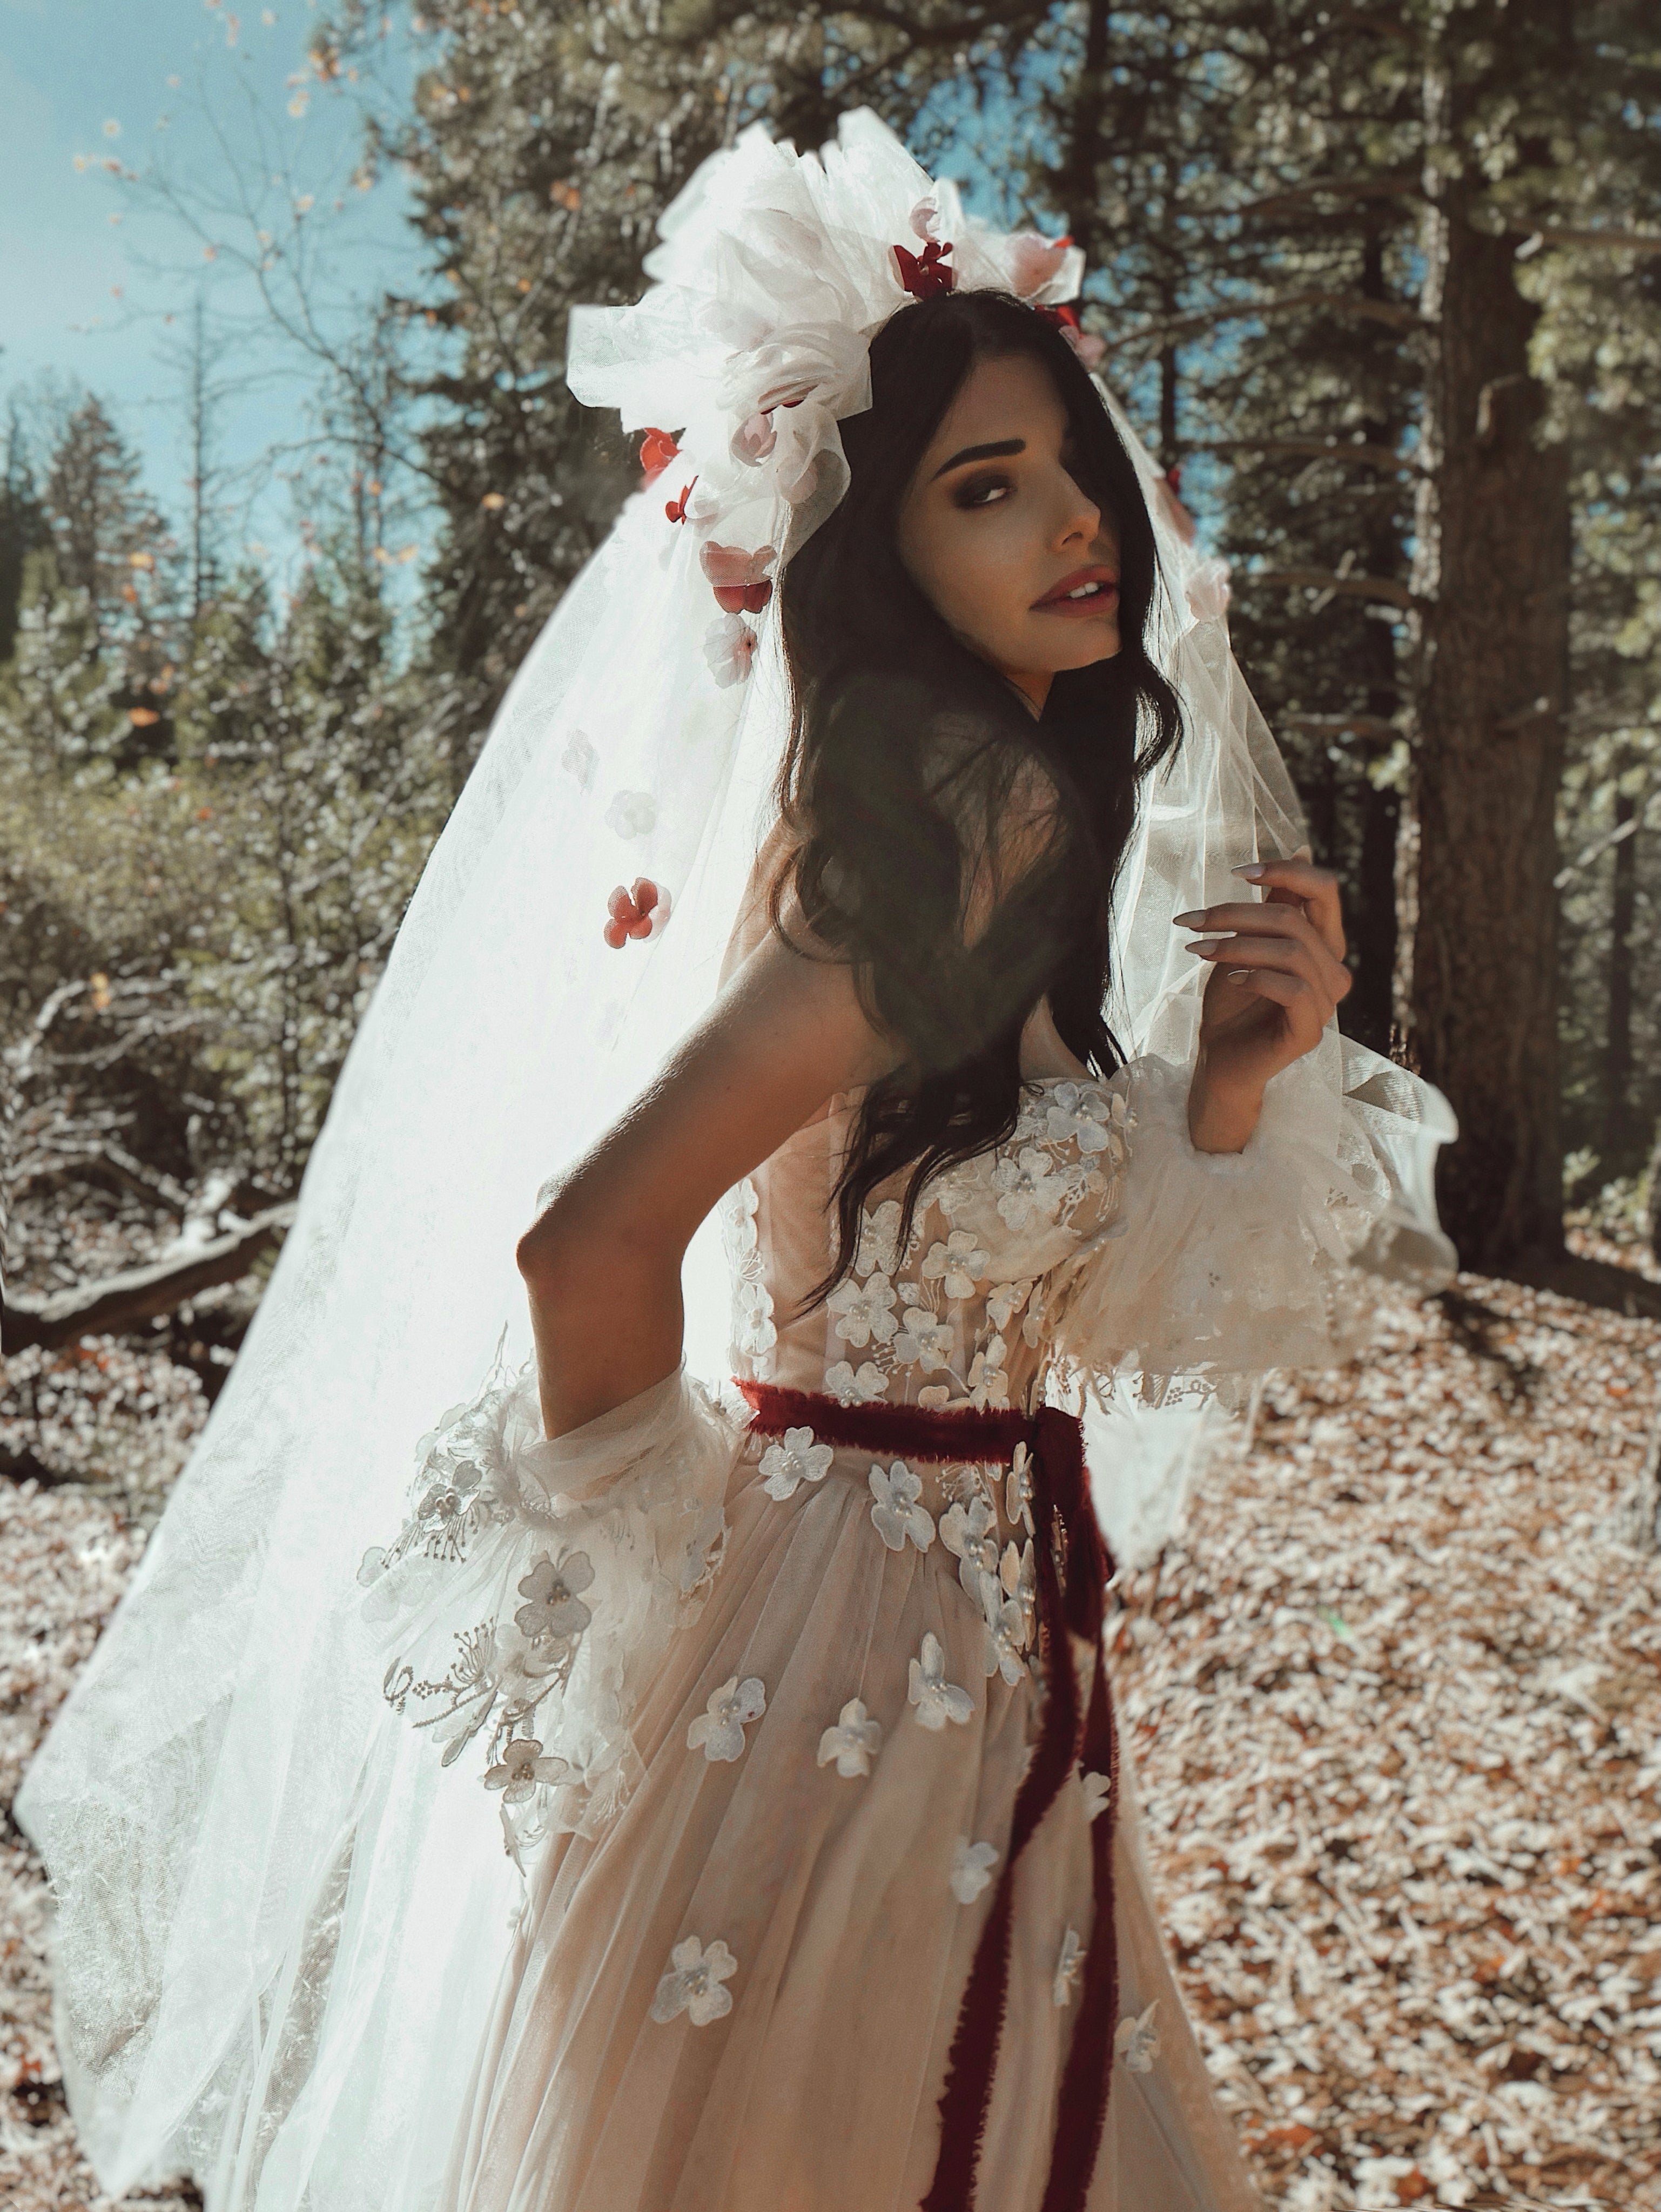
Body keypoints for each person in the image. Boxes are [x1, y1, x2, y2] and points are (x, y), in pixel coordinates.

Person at [15, 112, 1454, 2212]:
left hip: (982, 1658)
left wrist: (1225, 1088)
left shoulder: (1010, 832)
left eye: (1071, 467)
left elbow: (1031, 1248)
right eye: (990, 487)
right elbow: (591, 1242)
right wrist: (680, 1593)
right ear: (878, 558)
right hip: (835, 1668)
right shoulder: (911, 861)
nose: (1077, 526)